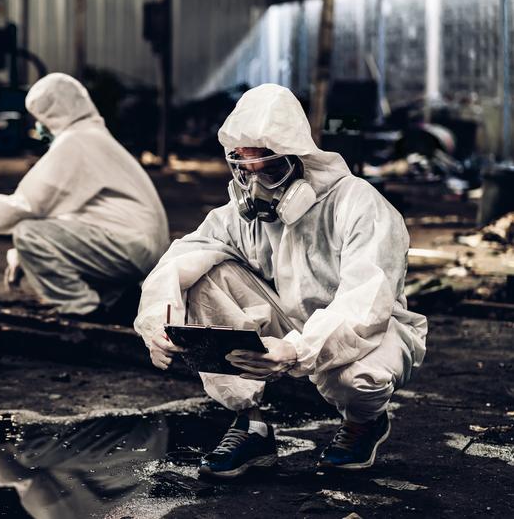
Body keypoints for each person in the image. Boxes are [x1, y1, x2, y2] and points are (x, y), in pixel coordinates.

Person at [134, 83, 427, 477]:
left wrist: (296, 351)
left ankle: (364, 422)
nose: (256, 187)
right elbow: (179, 260)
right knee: (202, 275)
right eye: (244, 170)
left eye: (271, 170)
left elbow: (365, 304)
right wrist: (156, 322)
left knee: (360, 379)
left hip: (361, 328)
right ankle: (251, 424)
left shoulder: (360, 205)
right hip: (285, 324)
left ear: (300, 159)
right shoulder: (238, 217)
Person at [0, 73, 169, 320]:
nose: (38, 127)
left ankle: (84, 310)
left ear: (51, 114)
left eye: (39, 119)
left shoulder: (76, 141)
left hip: (129, 246)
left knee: (28, 233)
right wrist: (21, 256)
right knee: (40, 238)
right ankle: (119, 301)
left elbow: (29, 205)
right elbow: (68, 215)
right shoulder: (94, 137)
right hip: (139, 246)